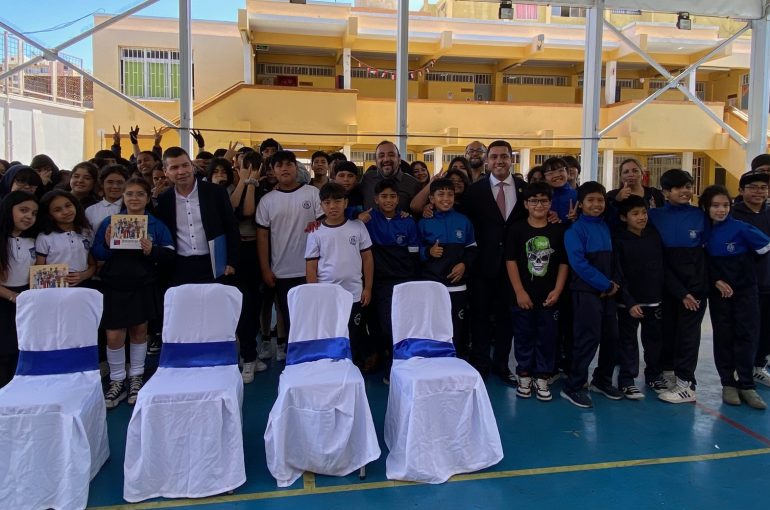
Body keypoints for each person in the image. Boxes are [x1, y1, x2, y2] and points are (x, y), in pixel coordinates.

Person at [92, 177, 175, 408]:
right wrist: (107, 244)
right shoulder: (110, 222)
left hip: (143, 283)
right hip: (115, 284)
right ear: (123, 197)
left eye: (140, 194)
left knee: (140, 332)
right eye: (130, 194)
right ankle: (117, 380)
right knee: (114, 335)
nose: (134, 198)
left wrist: (153, 250)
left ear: (148, 198)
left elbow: (169, 253)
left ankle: (136, 376)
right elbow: (97, 252)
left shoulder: (156, 225)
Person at [699, 185, 770, 409]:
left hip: (746, 292)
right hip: (719, 294)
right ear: (706, 207)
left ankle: (747, 385)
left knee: (746, 336)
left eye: (726, 206)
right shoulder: (703, 231)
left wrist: (744, 275)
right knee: (724, 337)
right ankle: (728, 384)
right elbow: (701, 263)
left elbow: (764, 250)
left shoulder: (742, 228)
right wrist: (716, 281)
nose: (721, 210)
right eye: (715, 206)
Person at [463, 139, 527, 383]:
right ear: (487, 161)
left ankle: (502, 364)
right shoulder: (474, 191)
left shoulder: (524, 189)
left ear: (512, 159)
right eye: (495, 157)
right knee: (479, 317)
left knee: (506, 318)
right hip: (481, 266)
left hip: (513, 267)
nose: (499, 161)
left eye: (504, 156)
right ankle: (480, 364)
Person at [256, 150, 324, 360]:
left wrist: (318, 224)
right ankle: (296, 359)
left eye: (289, 164)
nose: (284, 168)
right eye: (279, 165)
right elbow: (262, 237)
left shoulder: (312, 193)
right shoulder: (267, 201)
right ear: (273, 171)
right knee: (289, 316)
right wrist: (266, 269)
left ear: (297, 167)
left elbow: (325, 226)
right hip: (282, 270)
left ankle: (314, 356)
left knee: (313, 315)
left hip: (311, 269)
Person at [560, 181, 622, 408]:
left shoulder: (605, 227)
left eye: (600, 200)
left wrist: (611, 285)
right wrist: (604, 285)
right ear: (581, 204)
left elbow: (612, 260)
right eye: (591, 200)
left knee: (611, 338)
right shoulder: (575, 230)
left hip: (608, 292)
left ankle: (602, 380)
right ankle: (573, 385)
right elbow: (579, 264)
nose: (596, 204)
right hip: (586, 292)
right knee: (587, 339)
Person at [648, 169, 708, 404]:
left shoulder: (701, 216)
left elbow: (706, 256)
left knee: (688, 335)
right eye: (679, 187)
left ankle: (687, 384)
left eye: (688, 186)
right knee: (667, 331)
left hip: (694, 287)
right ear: (666, 192)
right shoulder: (654, 216)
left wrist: (692, 291)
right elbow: (658, 258)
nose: (685, 191)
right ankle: (669, 373)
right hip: (666, 284)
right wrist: (678, 290)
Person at [505, 182, 568, 401]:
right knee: (523, 335)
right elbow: (511, 261)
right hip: (522, 297)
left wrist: (558, 290)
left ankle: (542, 376)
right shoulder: (517, 229)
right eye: (534, 200)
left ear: (550, 203)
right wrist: (519, 291)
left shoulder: (558, 230)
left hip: (550, 297)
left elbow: (563, 263)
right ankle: (524, 375)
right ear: (525, 204)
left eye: (543, 200)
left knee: (547, 337)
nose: (538, 205)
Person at [306, 182, 373, 365]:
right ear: (321, 206)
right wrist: (315, 295)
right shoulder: (315, 232)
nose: (332, 206)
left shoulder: (357, 226)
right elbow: (311, 267)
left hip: (354, 294)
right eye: (327, 202)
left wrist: (367, 288)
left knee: (355, 333)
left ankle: (354, 368)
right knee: (332, 333)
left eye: (337, 201)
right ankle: (333, 366)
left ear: (346, 203)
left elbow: (367, 259)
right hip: (327, 295)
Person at [155, 147, 240, 286]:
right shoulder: (165, 199)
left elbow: (231, 227)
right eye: (174, 167)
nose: (181, 171)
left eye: (185, 165)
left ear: (192, 166)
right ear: (166, 172)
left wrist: (232, 262)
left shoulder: (215, 192)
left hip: (214, 264)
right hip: (179, 267)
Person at [364, 179, 419, 381]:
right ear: (376, 199)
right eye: (384, 196)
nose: (388, 200)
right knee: (384, 325)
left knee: (403, 324)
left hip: (404, 282)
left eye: (393, 196)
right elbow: (347, 213)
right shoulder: (368, 220)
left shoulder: (408, 221)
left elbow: (414, 254)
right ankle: (388, 363)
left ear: (398, 199)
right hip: (380, 283)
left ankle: (401, 363)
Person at [613, 195, 667, 397]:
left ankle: (653, 375)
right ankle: (627, 380)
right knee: (627, 341)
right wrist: (628, 301)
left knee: (654, 341)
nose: (641, 217)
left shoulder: (653, 235)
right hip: (629, 303)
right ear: (623, 217)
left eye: (644, 212)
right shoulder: (618, 239)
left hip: (654, 300)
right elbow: (618, 273)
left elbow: (662, 266)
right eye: (635, 213)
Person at [418, 178, 477, 358]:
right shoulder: (424, 222)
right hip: (432, 285)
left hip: (458, 286)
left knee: (457, 325)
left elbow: (472, 248)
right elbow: (414, 251)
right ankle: (435, 362)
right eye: (440, 194)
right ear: (431, 198)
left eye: (450, 194)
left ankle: (459, 360)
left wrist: (464, 265)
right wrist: (428, 251)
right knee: (433, 324)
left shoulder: (464, 220)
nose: (446, 198)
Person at [229, 150, 269, 380]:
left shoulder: (263, 189)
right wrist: (244, 179)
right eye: (245, 164)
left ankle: (250, 356)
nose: (250, 168)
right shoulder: (226, 187)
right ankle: (244, 355)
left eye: (255, 165)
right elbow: (234, 208)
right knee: (237, 306)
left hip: (256, 251)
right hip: (234, 253)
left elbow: (249, 212)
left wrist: (252, 182)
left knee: (252, 305)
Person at [731, 171, 770, 385]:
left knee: (765, 330)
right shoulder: (733, 215)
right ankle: (740, 370)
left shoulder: (769, 213)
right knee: (744, 330)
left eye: (763, 188)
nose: (759, 192)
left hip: (767, 282)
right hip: (743, 285)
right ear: (741, 191)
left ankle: (758, 366)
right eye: (753, 187)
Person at [0, 191, 38, 387]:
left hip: (25, 299)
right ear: (8, 209)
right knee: (4, 354)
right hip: (6, 300)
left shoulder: (32, 240)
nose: (29, 216)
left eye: (33, 213)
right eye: (23, 210)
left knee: (20, 351)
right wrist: (13, 297)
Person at [35, 190, 96, 287]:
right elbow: (39, 270)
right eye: (57, 210)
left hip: (83, 284)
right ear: (49, 215)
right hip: (55, 287)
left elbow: (92, 265)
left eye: (68, 205)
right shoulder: (45, 237)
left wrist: (83, 276)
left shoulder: (86, 232)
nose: (65, 212)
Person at [361, 140, 422, 211]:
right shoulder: (367, 179)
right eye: (381, 156)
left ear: (399, 159)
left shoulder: (413, 184)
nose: (386, 159)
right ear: (376, 161)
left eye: (391, 155)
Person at [85, 164, 128, 230]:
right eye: (110, 182)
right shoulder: (91, 210)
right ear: (102, 184)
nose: (115, 186)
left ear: (126, 184)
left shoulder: (133, 207)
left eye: (120, 182)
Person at [541, 157, 577, 222]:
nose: (556, 175)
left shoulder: (577, 195)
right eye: (550, 173)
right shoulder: (541, 196)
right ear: (544, 178)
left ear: (567, 172)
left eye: (561, 170)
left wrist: (577, 217)